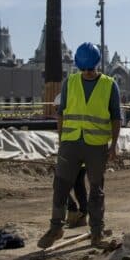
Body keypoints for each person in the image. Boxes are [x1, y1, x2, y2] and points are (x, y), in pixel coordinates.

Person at [37, 42, 121, 249]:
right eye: (84, 69)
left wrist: (114, 145)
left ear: (97, 65)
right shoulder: (70, 82)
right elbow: (62, 113)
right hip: (71, 143)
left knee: (96, 190)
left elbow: (116, 118)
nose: (87, 73)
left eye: (90, 69)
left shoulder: (109, 85)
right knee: (60, 186)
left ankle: (96, 232)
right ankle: (56, 227)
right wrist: (62, 139)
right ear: (78, 67)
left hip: (96, 145)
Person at [53, 93, 88, 228]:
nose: (56, 112)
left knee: (59, 185)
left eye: (57, 108)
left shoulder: (67, 119)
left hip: (72, 156)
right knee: (79, 185)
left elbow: (66, 139)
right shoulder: (78, 116)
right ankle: (82, 215)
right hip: (82, 155)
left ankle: (73, 210)